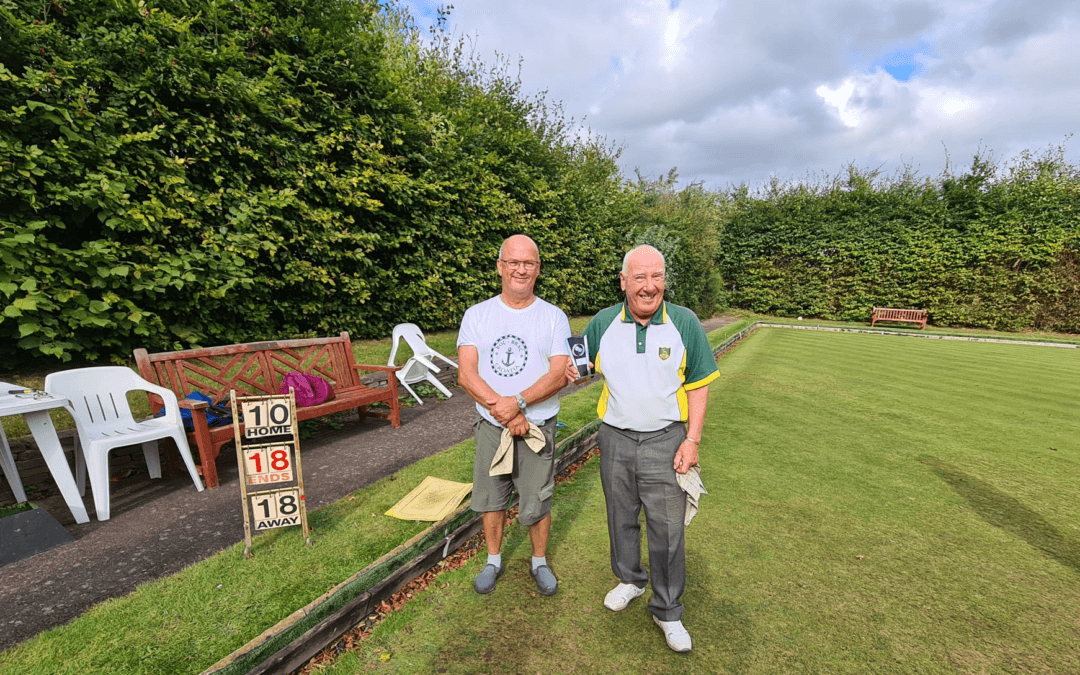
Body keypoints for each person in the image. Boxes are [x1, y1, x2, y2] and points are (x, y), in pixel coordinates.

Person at [571, 244, 718, 653]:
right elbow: (583, 369)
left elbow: (700, 384)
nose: (649, 286)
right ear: (623, 281)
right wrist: (572, 371)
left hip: (667, 438)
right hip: (615, 437)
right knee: (620, 516)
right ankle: (630, 580)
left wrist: (692, 440)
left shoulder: (685, 323)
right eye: (639, 277)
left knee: (667, 528)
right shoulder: (602, 323)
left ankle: (667, 609)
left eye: (657, 276)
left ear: (664, 280)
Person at [457, 234, 572, 597]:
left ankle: (539, 561)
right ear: (500, 267)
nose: (520, 269)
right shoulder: (477, 315)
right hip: (493, 426)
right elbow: (466, 374)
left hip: (538, 426)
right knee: (491, 498)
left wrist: (519, 403)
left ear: (537, 269)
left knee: (537, 497)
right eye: (513, 262)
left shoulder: (553, 316)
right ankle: (493, 559)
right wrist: (506, 412)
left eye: (529, 263)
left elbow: (558, 373)